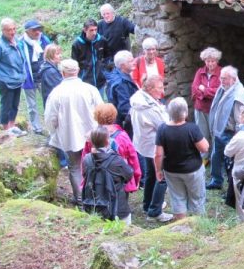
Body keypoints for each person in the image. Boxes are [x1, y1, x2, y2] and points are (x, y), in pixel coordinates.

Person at [44, 59, 102, 205]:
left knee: (75, 167)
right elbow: (101, 110)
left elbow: (51, 118)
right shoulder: (90, 89)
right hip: (92, 135)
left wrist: (53, 133)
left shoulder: (57, 93)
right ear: (77, 71)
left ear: (62, 73)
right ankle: (97, 195)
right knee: (95, 165)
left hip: (70, 136)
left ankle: (81, 198)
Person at [81, 103, 141, 223]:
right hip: (120, 178)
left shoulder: (92, 136)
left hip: (96, 178)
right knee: (120, 200)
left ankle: (103, 219)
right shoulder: (122, 136)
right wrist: (136, 176)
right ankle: (118, 220)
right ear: (113, 116)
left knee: (99, 199)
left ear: (96, 117)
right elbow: (132, 157)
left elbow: (85, 158)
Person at [155, 97, 209, 220]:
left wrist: (158, 170)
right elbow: (204, 148)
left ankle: (181, 228)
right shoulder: (192, 128)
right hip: (193, 170)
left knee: (177, 198)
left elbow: (158, 154)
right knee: (197, 199)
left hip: (171, 171)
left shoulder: (162, 129)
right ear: (185, 113)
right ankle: (197, 225)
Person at [130, 74, 173, 221]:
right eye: (159, 88)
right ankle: (155, 212)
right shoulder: (148, 107)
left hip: (144, 144)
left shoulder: (140, 99)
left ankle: (148, 204)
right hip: (154, 146)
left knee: (150, 175)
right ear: (149, 89)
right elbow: (163, 126)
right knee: (161, 177)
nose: (162, 91)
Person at [207, 65, 244, 190]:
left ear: (233, 79)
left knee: (230, 162)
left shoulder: (238, 95)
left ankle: (232, 189)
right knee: (215, 156)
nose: (221, 81)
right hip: (221, 131)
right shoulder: (225, 88)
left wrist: (237, 137)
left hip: (230, 133)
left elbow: (239, 119)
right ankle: (216, 181)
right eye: (221, 78)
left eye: (224, 79)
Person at [81, 127, 134, 223]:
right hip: (117, 208)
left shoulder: (86, 159)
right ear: (107, 142)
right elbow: (129, 174)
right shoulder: (116, 161)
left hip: (93, 206)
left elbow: (84, 175)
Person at [0, 18, 27, 134]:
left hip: (17, 78)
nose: (12, 32)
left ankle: (12, 126)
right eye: (9, 30)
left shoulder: (16, 40)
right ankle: (6, 129)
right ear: (2, 30)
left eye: (14, 29)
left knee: (15, 104)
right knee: (6, 104)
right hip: (5, 81)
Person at [38, 44, 68, 168]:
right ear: (50, 55)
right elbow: (57, 89)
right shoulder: (50, 71)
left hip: (52, 104)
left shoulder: (51, 68)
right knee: (58, 131)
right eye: (57, 54)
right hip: (54, 106)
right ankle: (62, 160)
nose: (59, 56)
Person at [190, 46, 222, 156]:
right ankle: (204, 157)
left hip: (215, 109)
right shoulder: (200, 72)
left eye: (213, 61)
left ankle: (215, 156)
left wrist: (204, 90)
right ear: (204, 61)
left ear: (217, 61)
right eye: (208, 61)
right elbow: (194, 89)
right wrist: (207, 93)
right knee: (202, 133)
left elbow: (218, 92)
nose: (210, 64)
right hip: (200, 109)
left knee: (214, 133)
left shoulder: (222, 73)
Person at [21, 19, 50, 135]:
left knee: (48, 102)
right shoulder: (21, 43)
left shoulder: (44, 40)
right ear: (27, 31)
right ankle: (36, 128)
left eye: (39, 29)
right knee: (32, 105)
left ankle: (51, 126)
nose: (38, 32)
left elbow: (51, 55)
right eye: (34, 30)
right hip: (28, 78)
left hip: (43, 76)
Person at [105, 50, 139, 136]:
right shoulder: (121, 83)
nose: (134, 62)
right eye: (130, 61)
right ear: (122, 65)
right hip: (124, 124)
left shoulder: (116, 74)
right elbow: (125, 107)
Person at [71, 18, 109, 91]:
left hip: (100, 81)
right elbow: (74, 63)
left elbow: (107, 57)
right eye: (91, 30)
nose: (94, 33)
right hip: (84, 82)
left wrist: (105, 71)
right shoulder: (77, 44)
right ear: (85, 30)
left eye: (95, 29)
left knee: (100, 102)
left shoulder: (102, 40)